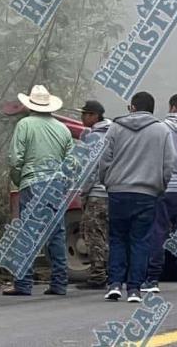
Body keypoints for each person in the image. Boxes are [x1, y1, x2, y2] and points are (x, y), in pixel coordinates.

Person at [99, 92, 175, 303]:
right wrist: (160, 187)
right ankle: (134, 289)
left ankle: (114, 284)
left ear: (132, 107)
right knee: (140, 241)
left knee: (117, 239)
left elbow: (104, 160)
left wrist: (107, 182)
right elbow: (169, 166)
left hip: (118, 191)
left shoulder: (115, 128)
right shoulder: (161, 130)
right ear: (151, 109)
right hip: (147, 193)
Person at [3, 85, 73, 297]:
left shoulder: (24, 124)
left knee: (28, 233)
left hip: (33, 183)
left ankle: (23, 284)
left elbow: (15, 159)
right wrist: (62, 184)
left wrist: (19, 179)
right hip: (56, 184)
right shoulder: (63, 129)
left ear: (30, 105)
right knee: (57, 234)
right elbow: (72, 162)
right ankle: (59, 283)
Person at [143, 94, 177, 294]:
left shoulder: (161, 128)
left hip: (166, 188)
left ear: (172, 107)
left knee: (158, 233)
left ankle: (152, 280)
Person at [75, 100, 112, 290]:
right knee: (109, 234)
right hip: (113, 191)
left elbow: (89, 169)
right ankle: (111, 273)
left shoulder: (93, 138)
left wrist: (84, 192)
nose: (82, 118)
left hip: (96, 193)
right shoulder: (114, 133)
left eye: (85, 114)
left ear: (94, 116)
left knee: (94, 234)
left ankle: (98, 275)